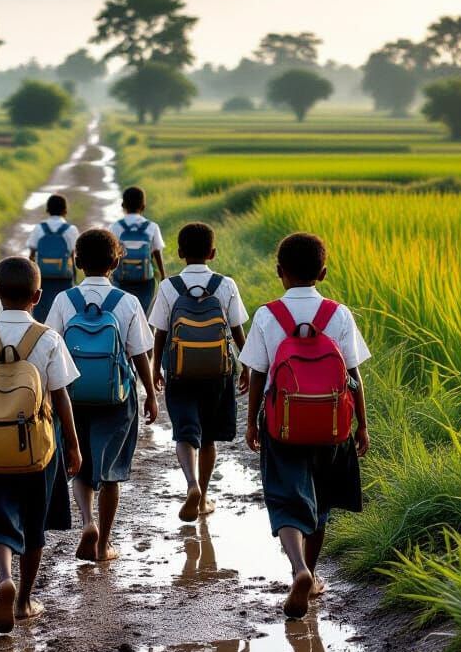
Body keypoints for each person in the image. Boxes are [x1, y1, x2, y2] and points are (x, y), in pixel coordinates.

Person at [241, 232, 370, 619]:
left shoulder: (267, 315)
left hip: (282, 428)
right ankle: (311, 575)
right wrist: (362, 425)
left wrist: (252, 422)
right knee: (321, 501)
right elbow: (353, 375)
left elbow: (259, 375)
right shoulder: (339, 314)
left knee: (286, 499)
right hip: (332, 426)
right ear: (324, 272)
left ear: (280, 273)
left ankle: (297, 569)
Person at [0, 257, 82, 634]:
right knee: (34, 522)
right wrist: (72, 446)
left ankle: (3, 577)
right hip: (39, 450)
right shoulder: (48, 338)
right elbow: (61, 398)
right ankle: (24, 599)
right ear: (38, 296)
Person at [45, 228, 158, 562]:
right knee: (111, 473)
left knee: (81, 466)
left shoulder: (64, 300)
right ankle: (104, 542)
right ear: (117, 261)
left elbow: (52, 347)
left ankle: (87, 523)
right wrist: (151, 394)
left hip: (73, 394)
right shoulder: (128, 302)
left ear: (77, 262)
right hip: (117, 397)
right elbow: (140, 355)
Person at [149, 222, 250, 523]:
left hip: (179, 371)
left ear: (179, 253)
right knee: (208, 438)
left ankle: (190, 485)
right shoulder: (226, 285)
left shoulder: (169, 287)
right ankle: (203, 497)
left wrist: (156, 368)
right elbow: (236, 329)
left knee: (184, 432)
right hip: (218, 372)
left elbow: (160, 333)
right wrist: (245, 365)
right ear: (213, 252)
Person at [110, 186, 165, 314]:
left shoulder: (116, 227)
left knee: (123, 312)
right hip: (145, 281)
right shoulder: (152, 227)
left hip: (121, 280)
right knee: (144, 313)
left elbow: (111, 253)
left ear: (123, 205)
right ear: (143, 206)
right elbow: (157, 253)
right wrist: (162, 275)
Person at [27, 193, 79, 322]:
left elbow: (32, 254)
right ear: (65, 211)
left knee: (41, 312)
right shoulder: (71, 229)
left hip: (42, 277)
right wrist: (74, 277)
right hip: (63, 277)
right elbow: (74, 255)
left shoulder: (39, 228)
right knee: (63, 312)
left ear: (47, 210)